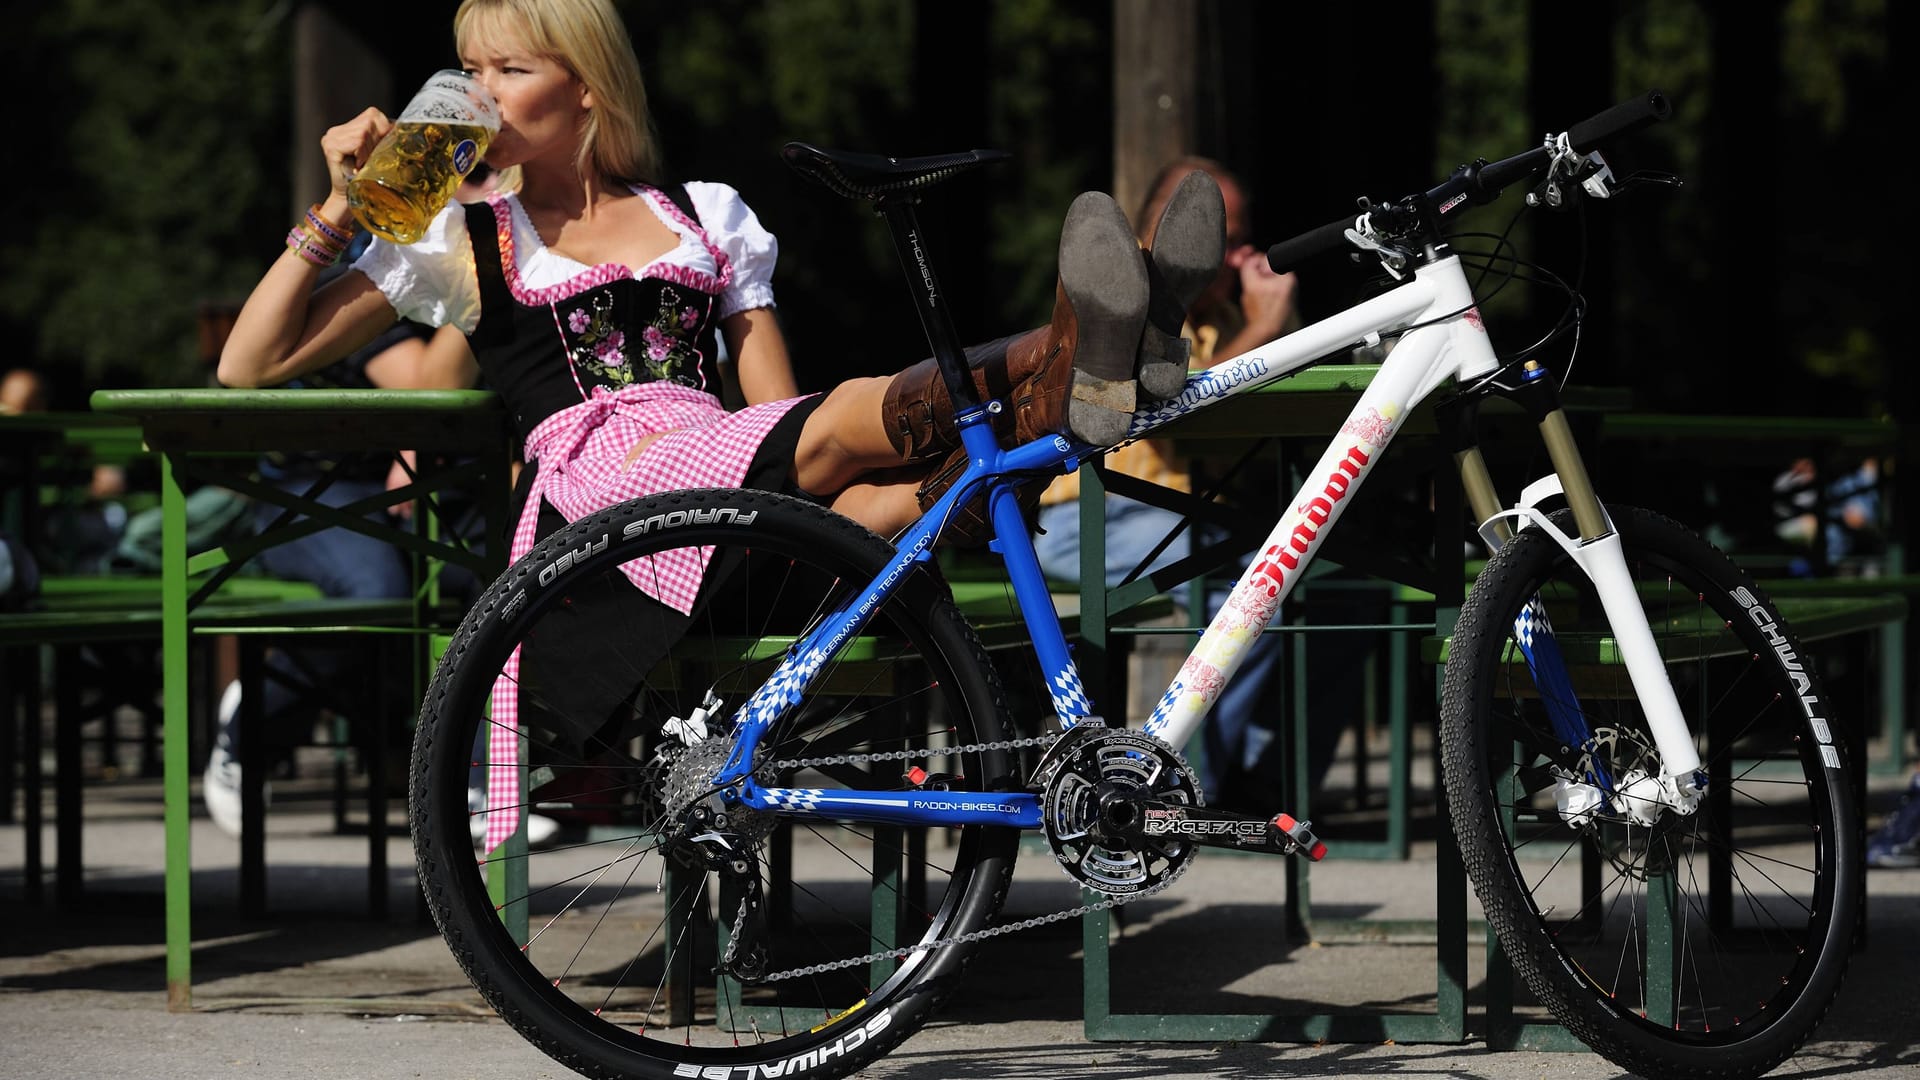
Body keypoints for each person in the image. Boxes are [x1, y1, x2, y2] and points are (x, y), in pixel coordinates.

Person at [217, 0, 1225, 847]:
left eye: (509, 67)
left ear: (585, 87)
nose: (476, 90)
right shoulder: (466, 238)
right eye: (469, 65)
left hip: (728, 507)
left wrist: (800, 445)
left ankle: (1054, 391)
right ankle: (1060, 363)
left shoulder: (702, 215)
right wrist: (345, 208)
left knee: (867, 498)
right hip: (602, 528)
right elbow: (248, 362)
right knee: (839, 443)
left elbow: (779, 414)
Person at [1032, 156, 1348, 810]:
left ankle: (1264, 783)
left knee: (1345, 588)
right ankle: (1171, 791)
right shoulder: (1120, 297)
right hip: (1086, 518)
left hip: (1181, 525)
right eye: (1219, 237)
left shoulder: (1226, 322)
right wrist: (1266, 330)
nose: (1234, 256)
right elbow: (1168, 411)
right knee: (1262, 582)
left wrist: (1269, 328)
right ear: (1164, 226)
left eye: (1233, 236)